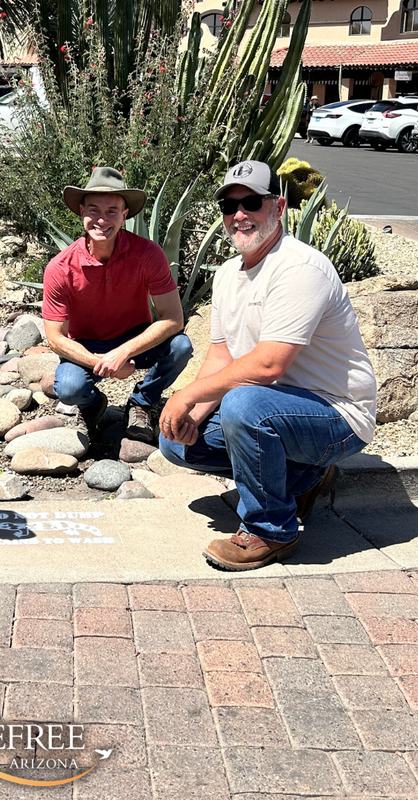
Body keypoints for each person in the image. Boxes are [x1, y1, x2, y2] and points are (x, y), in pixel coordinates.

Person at [158, 160, 376, 570]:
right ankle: (305, 478)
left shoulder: (299, 268)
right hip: (274, 408)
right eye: (229, 206)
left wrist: (187, 393)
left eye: (251, 202)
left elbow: (269, 365)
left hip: (336, 416)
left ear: (278, 207)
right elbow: (221, 354)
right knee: (177, 441)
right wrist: (192, 411)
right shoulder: (226, 274)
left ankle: (270, 531)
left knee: (244, 405)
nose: (239, 214)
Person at [42, 166, 192, 443]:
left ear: (125, 215)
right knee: (70, 388)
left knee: (181, 346)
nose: (102, 220)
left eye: (112, 211)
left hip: (134, 337)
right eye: (94, 210)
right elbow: (55, 338)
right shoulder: (60, 267)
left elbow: (173, 319)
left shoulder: (148, 254)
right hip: (86, 344)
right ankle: (91, 405)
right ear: (81, 212)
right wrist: (103, 361)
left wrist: (123, 353)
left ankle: (142, 402)